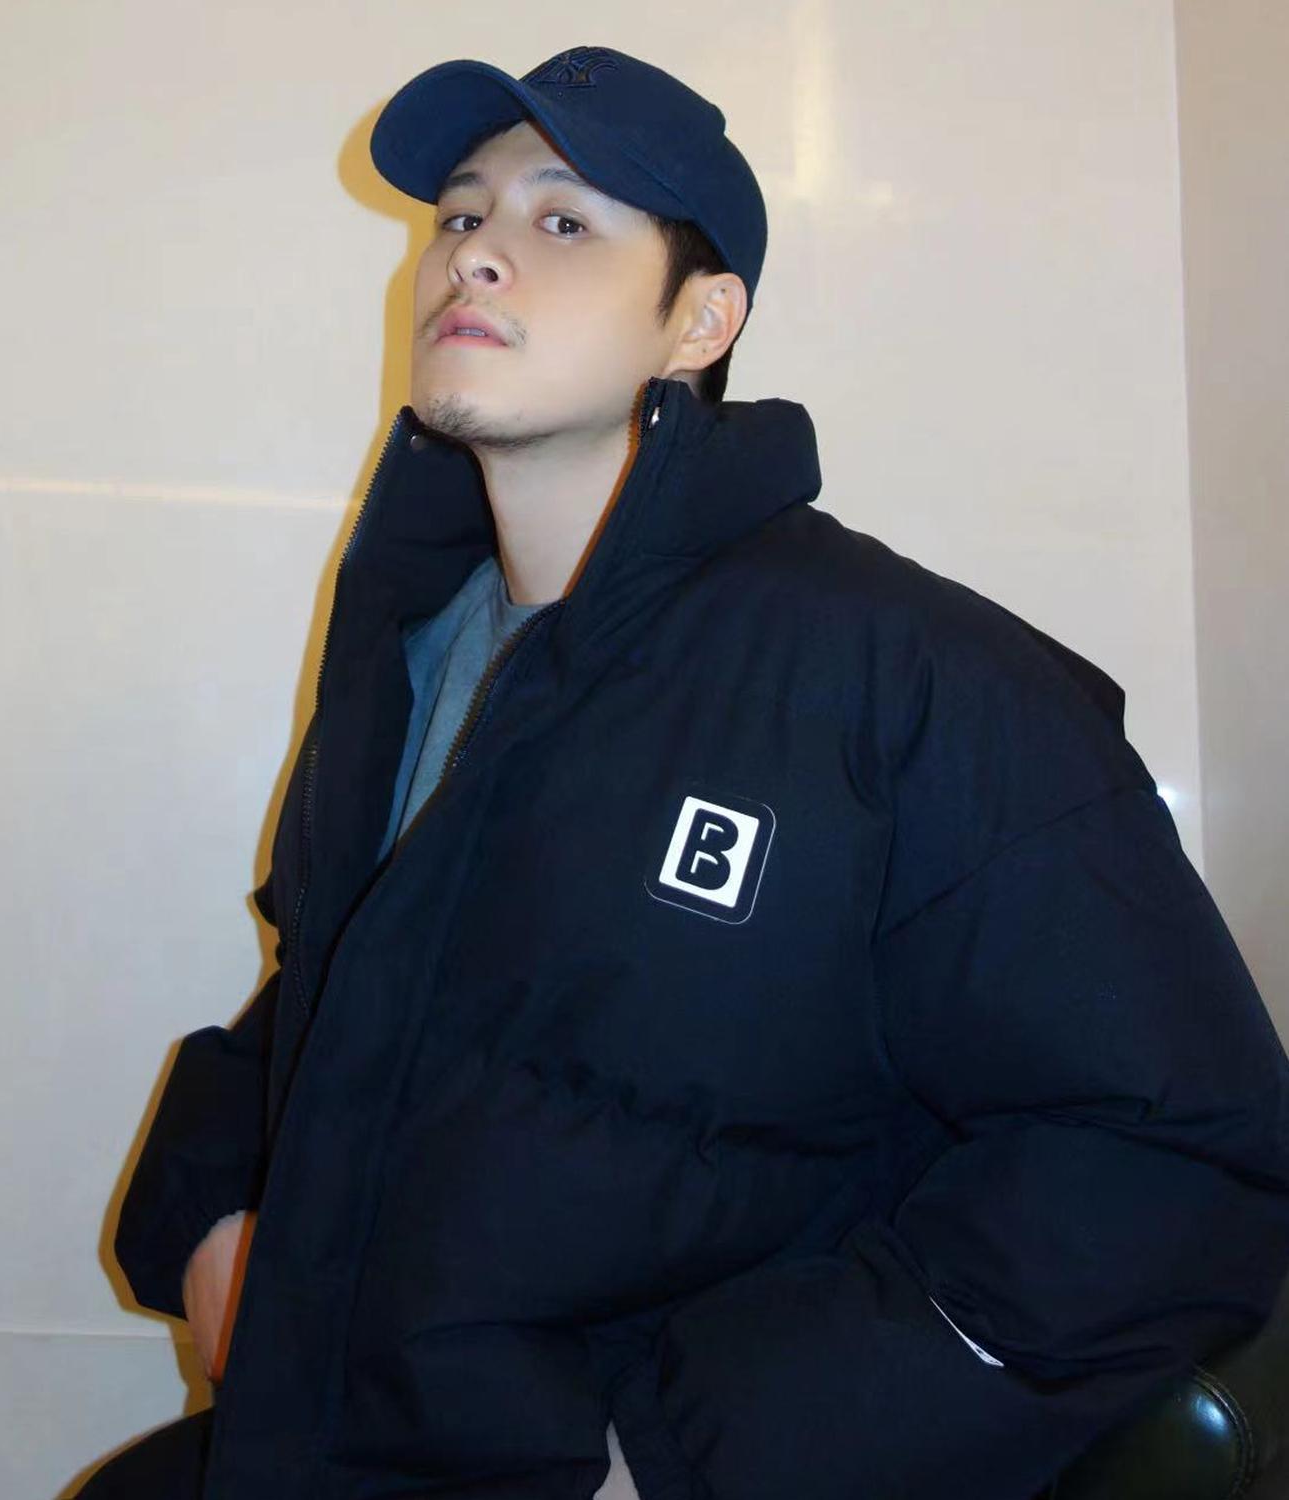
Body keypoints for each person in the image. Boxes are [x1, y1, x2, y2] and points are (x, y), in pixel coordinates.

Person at [79, 43, 1289, 1500]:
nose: (474, 256)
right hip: (343, 1438)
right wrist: (216, 1221)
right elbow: (336, 989)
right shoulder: (419, 648)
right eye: (459, 215)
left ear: (700, 322)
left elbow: (1172, 1159)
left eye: (562, 220)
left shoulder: (909, 680)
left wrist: (663, 1458)